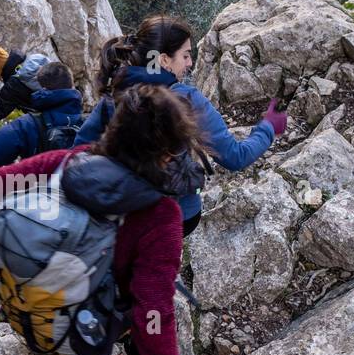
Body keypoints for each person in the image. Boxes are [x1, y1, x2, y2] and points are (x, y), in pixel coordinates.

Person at [0, 84, 207, 355]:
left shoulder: (71, 162)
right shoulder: (161, 215)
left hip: (21, 314)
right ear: (166, 155)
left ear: (115, 128)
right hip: (80, 340)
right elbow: (153, 311)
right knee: (155, 287)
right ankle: (138, 353)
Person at [75, 15, 287, 235]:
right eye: (185, 55)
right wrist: (269, 126)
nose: (190, 63)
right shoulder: (185, 98)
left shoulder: (113, 95)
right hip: (174, 216)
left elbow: (78, 149)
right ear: (164, 60)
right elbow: (235, 157)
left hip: (116, 215)